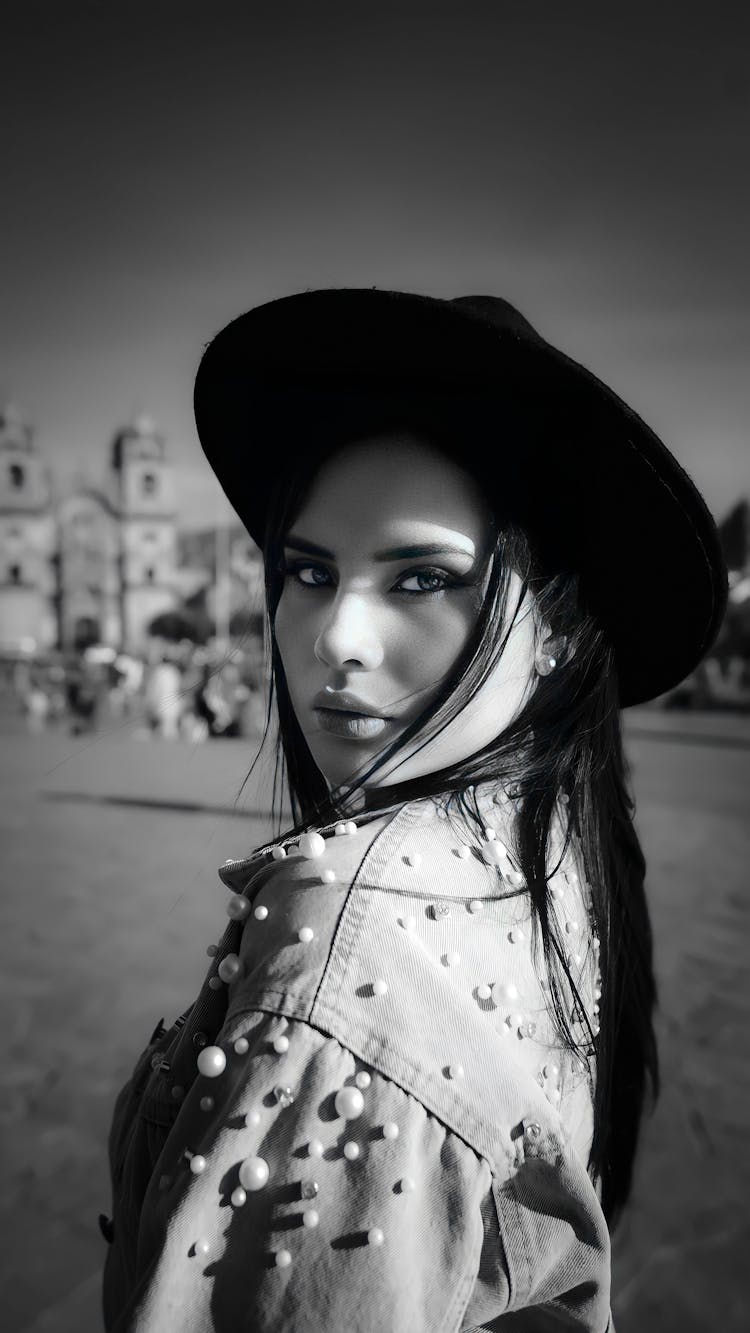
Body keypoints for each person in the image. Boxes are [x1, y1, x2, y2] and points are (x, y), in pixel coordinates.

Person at [100, 289, 727, 1332]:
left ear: (563, 628)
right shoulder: (558, 830)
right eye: (309, 570)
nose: (335, 635)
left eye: (422, 578)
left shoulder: (344, 940)